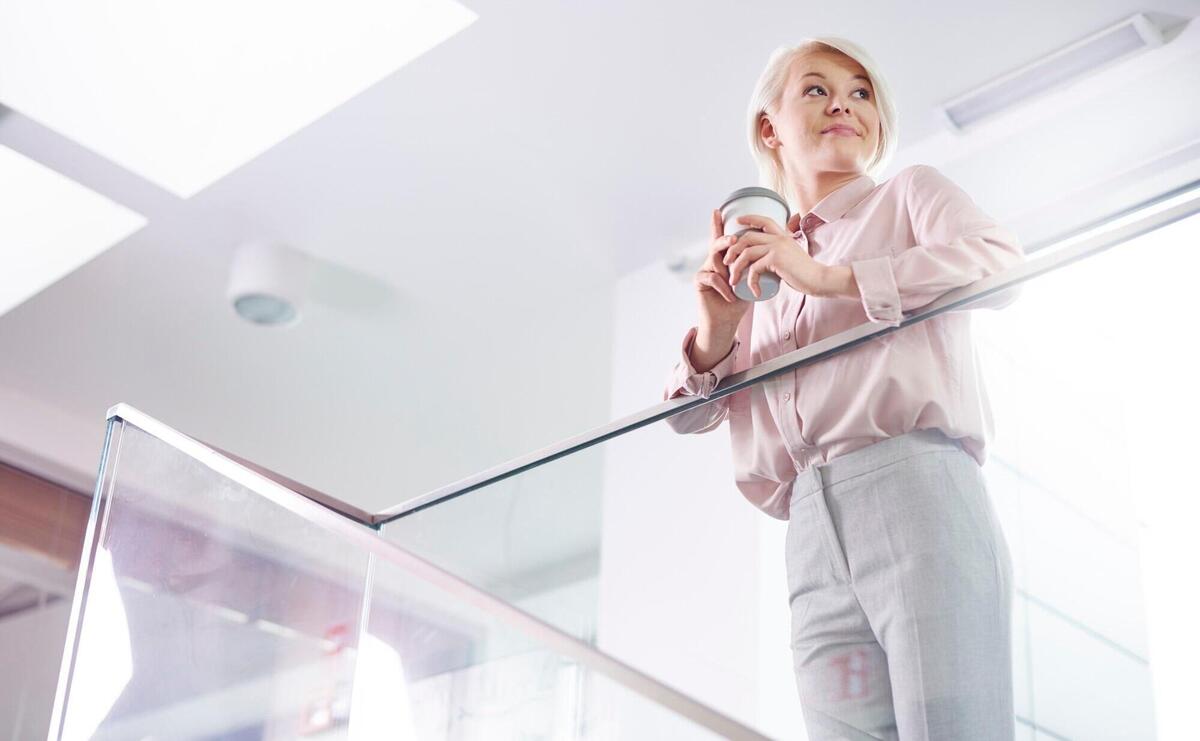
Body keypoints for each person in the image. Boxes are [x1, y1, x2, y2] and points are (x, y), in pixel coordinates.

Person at [663, 37, 1026, 741]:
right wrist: (716, 329)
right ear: (769, 127)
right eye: (817, 89)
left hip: (917, 489)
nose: (844, 104)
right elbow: (684, 419)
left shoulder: (908, 194)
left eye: (861, 93)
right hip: (806, 529)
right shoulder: (760, 261)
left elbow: (1002, 267)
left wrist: (830, 278)